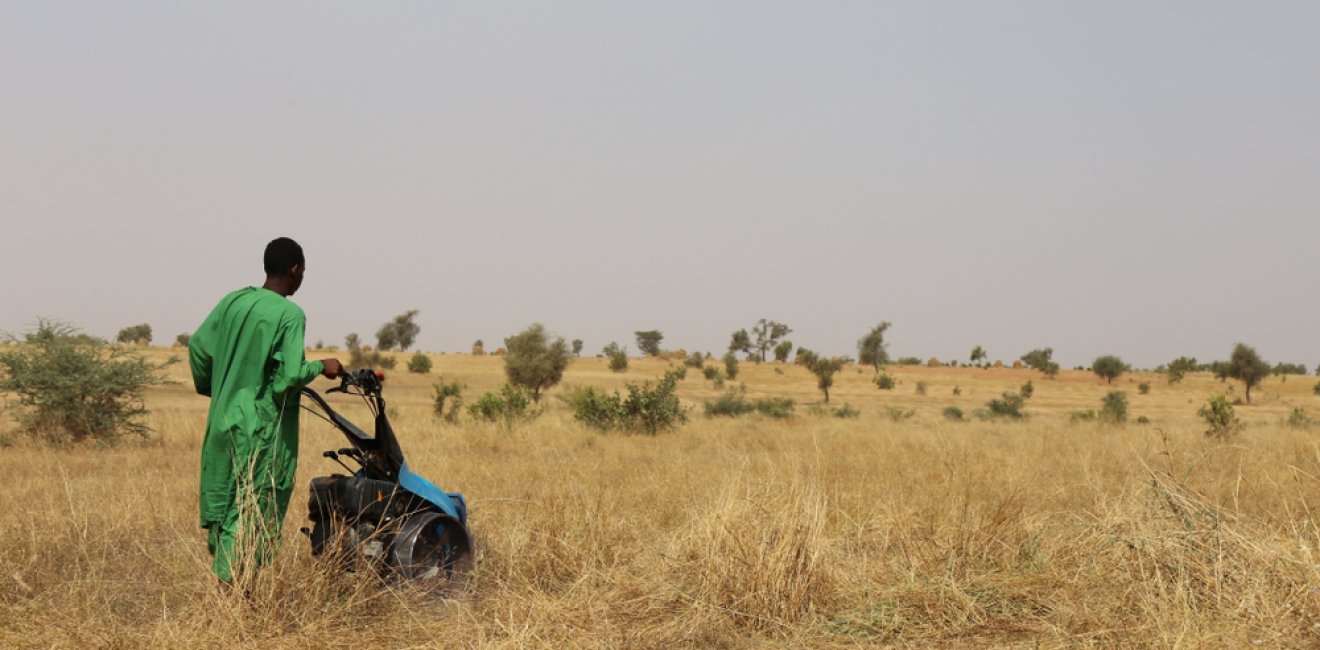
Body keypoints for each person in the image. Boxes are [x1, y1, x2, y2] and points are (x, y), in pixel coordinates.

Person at [187, 237, 342, 583]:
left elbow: (198, 347)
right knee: (251, 509)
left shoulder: (234, 302)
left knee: (225, 505)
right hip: (259, 430)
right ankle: (233, 596)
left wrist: (219, 387)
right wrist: (321, 366)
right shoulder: (290, 315)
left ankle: (235, 593)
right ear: (296, 270)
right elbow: (287, 379)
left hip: (223, 421)